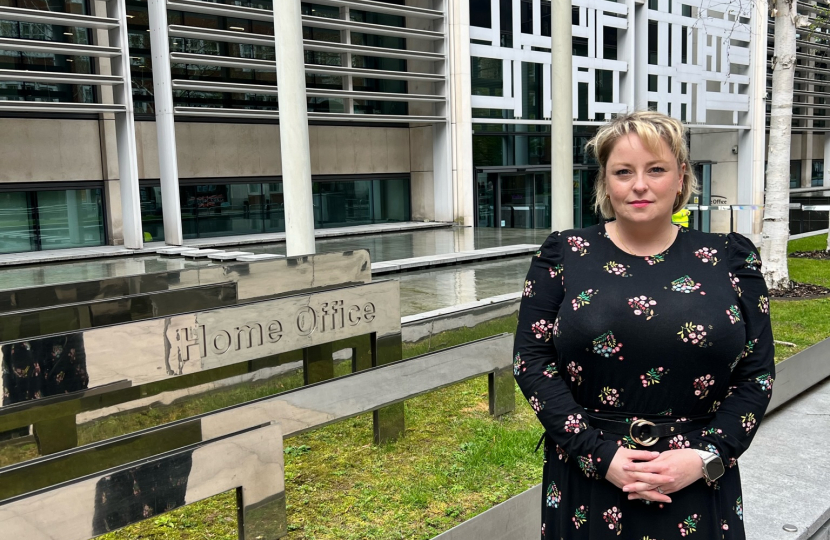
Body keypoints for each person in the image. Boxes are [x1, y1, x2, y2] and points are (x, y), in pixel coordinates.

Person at [513, 110, 774, 539]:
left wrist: (706, 455)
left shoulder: (730, 258)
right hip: (590, 479)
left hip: (696, 480)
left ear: (680, 177)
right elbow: (532, 362)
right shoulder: (564, 254)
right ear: (605, 181)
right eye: (623, 171)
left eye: (656, 169)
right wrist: (599, 455)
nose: (639, 184)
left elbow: (757, 373)